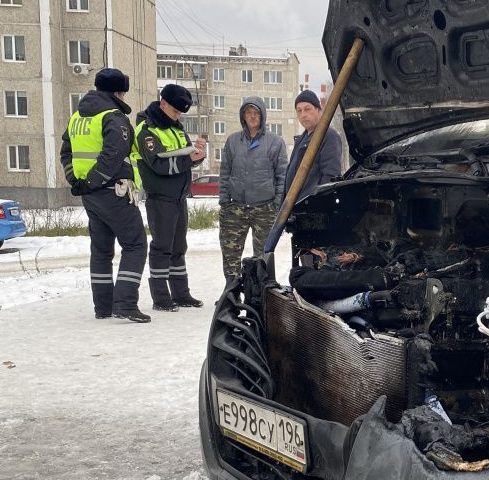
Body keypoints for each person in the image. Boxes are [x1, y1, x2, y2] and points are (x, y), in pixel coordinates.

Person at [61, 67, 150, 323]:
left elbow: (65, 153)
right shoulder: (114, 117)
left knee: (101, 251)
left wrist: (77, 181)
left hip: (90, 195)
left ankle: (103, 306)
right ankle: (125, 303)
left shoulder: (77, 117)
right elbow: (112, 156)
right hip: (114, 191)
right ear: (119, 92)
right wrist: (93, 181)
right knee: (135, 244)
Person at [135, 84, 207, 311]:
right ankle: (160, 297)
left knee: (179, 247)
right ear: (163, 102)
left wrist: (198, 157)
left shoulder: (176, 129)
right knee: (162, 247)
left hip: (178, 197)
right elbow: (157, 164)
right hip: (160, 197)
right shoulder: (146, 129)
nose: (178, 116)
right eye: (175, 111)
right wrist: (189, 160)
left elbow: (185, 157)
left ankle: (181, 293)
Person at [218, 96, 286, 281]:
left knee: (263, 257)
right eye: (249, 112)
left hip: (264, 209)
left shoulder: (275, 142)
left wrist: (276, 204)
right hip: (236, 208)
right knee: (230, 254)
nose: (252, 116)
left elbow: (282, 176)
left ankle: (259, 294)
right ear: (243, 116)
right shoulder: (233, 141)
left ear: (262, 116)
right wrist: (224, 201)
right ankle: (231, 293)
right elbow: (225, 172)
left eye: (256, 112)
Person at [284, 88, 343, 202]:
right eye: (299, 110)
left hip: (311, 209)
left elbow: (330, 177)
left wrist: (316, 205)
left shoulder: (328, 136)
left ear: (319, 111)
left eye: (307, 109)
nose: (303, 115)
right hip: (295, 208)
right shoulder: (301, 139)